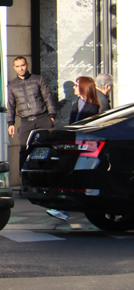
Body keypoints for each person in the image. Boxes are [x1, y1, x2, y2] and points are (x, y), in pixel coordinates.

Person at [46, 75, 101, 222]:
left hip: (87, 147)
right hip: (76, 144)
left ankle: (66, 210)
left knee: (80, 179)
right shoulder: (77, 103)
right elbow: (72, 124)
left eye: (77, 85)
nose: (74, 88)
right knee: (73, 178)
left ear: (84, 87)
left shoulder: (93, 106)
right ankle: (64, 209)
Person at [7, 56, 56, 180]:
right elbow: (11, 105)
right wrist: (11, 122)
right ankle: (24, 178)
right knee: (23, 149)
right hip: (26, 121)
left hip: (42, 117)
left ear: (27, 65)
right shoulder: (12, 85)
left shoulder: (38, 79)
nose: (21, 68)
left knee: (47, 147)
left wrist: (51, 116)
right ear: (14, 68)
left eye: (22, 65)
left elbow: (47, 98)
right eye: (17, 66)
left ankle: (49, 177)